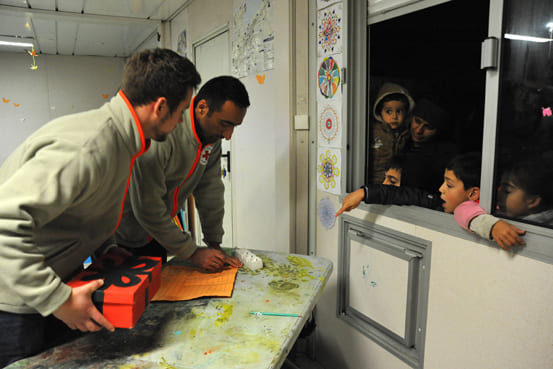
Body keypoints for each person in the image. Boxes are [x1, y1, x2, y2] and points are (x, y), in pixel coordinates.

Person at [0, 48, 201, 368]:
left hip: (55, 287)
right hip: (17, 306)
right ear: (160, 107)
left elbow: (79, 210)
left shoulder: (123, 142)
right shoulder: (90, 146)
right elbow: (5, 223)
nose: (180, 123)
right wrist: (58, 299)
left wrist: (106, 247)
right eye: (181, 112)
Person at [115, 76, 250, 272]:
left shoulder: (212, 137)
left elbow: (210, 190)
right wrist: (192, 252)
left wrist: (214, 244)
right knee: (126, 298)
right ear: (202, 108)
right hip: (121, 235)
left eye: (234, 127)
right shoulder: (163, 132)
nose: (228, 135)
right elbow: (147, 206)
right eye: (225, 124)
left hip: (158, 233)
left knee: (159, 292)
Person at [336, 153, 526, 250]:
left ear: (473, 193)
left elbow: (467, 212)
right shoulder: (441, 203)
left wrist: (494, 226)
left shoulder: (500, 202)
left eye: (449, 185)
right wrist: (365, 192)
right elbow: (406, 195)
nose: (440, 189)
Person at [456, 155, 553, 234]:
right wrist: (490, 225)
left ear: (533, 201)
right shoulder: (500, 209)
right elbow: (462, 209)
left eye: (507, 191)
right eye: (500, 187)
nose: (498, 193)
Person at [400, 98, 458, 192]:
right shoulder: (402, 141)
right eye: (417, 121)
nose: (419, 130)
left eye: (428, 127)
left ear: (439, 131)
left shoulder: (444, 157)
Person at [368, 82, 415, 184]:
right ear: (380, 112)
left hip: (398, 183)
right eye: (388, 111)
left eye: (399, 111)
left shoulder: (407, 133)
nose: (394, 117)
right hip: (375, 181)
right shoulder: (373, 131)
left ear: (406, 113)